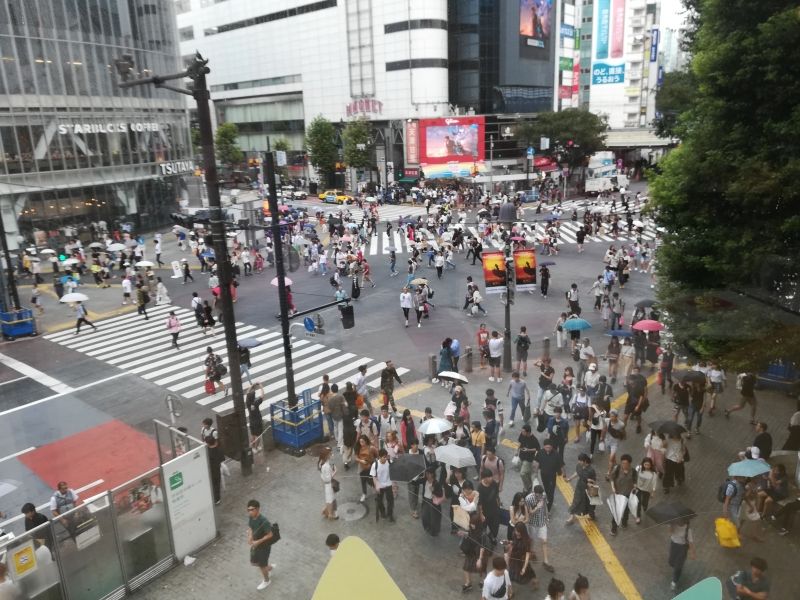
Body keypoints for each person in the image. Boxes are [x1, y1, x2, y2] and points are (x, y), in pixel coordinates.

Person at [247, 499, 275, 590]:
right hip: (255, 545)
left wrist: (258, 541)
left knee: (261, 565)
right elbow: (250, 527)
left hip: (264, 546)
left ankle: (267, 581)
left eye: (252, 510)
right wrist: (250, 536)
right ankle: (269, 568)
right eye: (249, 510)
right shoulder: (251, 517)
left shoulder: (264, 521)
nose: (250, 512)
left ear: (258, 509)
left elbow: (270, 534)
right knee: (255, 562)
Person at [504, 522, 537, 590]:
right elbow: (514, 542)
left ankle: (535, 582)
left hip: (522, 560)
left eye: (518, 531)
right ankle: (510, 592)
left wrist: (524, 568)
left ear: (523, 531)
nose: (516, 533)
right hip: (514, 557)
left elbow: (527, 555)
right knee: (511, 574)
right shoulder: (514, 534)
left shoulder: (527, 540)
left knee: (528, 575)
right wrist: (509, 542)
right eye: (516, 530)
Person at [566, 453, 597, 524]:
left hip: (588, 489)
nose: (579, 462)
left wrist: (590, 481)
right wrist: (570, 479)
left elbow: (594, 481)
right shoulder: (579, 466)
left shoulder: (591, 470)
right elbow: (577, 472)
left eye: (580, 461)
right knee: (576, 501)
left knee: (589, 504)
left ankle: (592, 515)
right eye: (579, 460)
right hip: (580, 487)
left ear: (585, 461)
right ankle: (572, 517)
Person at [609, 454, 635, 535]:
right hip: (618, 494)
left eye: (625, 463)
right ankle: (614, 529)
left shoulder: (633, 471)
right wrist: (613, 487)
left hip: (628, 495)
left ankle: (624, 522)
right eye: (622, 463)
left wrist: (635, 487)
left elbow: (636, 482)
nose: (623, 465)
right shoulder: (617, 469)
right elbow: (612, 478)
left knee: (626, 511)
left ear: (629, 463)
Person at [668, 519, 696, 592]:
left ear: (685, 521)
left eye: (682, 521)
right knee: (671, 562)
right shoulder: (673, 524)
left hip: (682, 548)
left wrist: (692, 553)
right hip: (673, 545)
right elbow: (670, 533)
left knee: (678, 566)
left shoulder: (688, 529)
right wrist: (671, 526)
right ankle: (677, 569)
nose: (680, 522)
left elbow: (690, 541)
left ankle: (674, 581)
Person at [536, 439, 564, 511]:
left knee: (551, 491)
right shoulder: (540, 452)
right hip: (543, 475)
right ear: (544, 447)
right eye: (546, 447)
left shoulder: (556, 454)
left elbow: (561, 465)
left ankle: (548, 508)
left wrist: (565, 476)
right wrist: (536, 474)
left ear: (552, 447)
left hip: (552, 476)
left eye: (549, 447)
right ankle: (547, 498)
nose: (548, 449)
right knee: (546, 488)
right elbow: (537, 462)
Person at [370, 448, 395, 522]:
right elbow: (374, 477)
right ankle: (383, 512)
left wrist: (393, 484)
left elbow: (393, 472)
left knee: (390, 501)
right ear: (379, 457)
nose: (385, 458)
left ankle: (390, 514)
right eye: (384, 457)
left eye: (386, 456)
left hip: (388, 484)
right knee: (380, 501)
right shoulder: (375, 465)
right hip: (380, 485)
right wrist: (376, 486)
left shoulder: (390, 462)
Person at [420, 467, 444, 536]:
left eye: (428, 474)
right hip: (425, 501)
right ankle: (427, 527)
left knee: (434, 518)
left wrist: (433, 490)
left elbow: (440, 494)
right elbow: (416, 482)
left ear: (432, 474)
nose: (427, 475)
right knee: (425, 516)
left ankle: (434, 531)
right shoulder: (425, 480)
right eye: (426, 474)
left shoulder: (436, 483)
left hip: (433, 503)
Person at [634, 456, 658, 523]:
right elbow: (634, 476)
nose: (647, 466)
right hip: (638, 488)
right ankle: (638, 516)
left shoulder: (653, 473)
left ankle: (645, 507)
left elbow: (654, 483)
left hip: (647, 490)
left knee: (645, 502)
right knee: (638, 502)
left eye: (648, 465)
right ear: (643, 464)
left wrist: (653, 492)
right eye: (645, 464)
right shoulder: (639, 468)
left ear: (651, 465)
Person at [517, 424, 540, 493]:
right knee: (527, 473)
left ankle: (527, 487)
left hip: (528, 459)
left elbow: (537, 449)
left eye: (524, 431)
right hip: (521, 456)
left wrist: (528, 450)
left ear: (528, 432)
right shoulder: (522, 434)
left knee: (523, 473)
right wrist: (516, 450)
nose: (522, 432)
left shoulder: (534, 439)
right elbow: (520, 442)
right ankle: (529, 484)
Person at [318, 446, 338, 520]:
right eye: (330, 453)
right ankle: (329, 514)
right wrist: (335, 472)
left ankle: (326, 511)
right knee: (330, 499)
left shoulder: (323, 463)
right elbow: (328, 478)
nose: (331, 454)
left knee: (331, 498)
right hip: (328, 485)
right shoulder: (325, 466)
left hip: (327, 484)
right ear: (327, 455)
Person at [246, 383, 265, 449]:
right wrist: (261, 387)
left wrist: (252, 385)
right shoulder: (256, 402)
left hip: (251, 419)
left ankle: (252, 447)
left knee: (253, 434)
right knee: (258, 435)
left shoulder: (248, 402)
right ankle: (256, 448)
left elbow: (247, 392)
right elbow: (262, 396)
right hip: (257, 420)